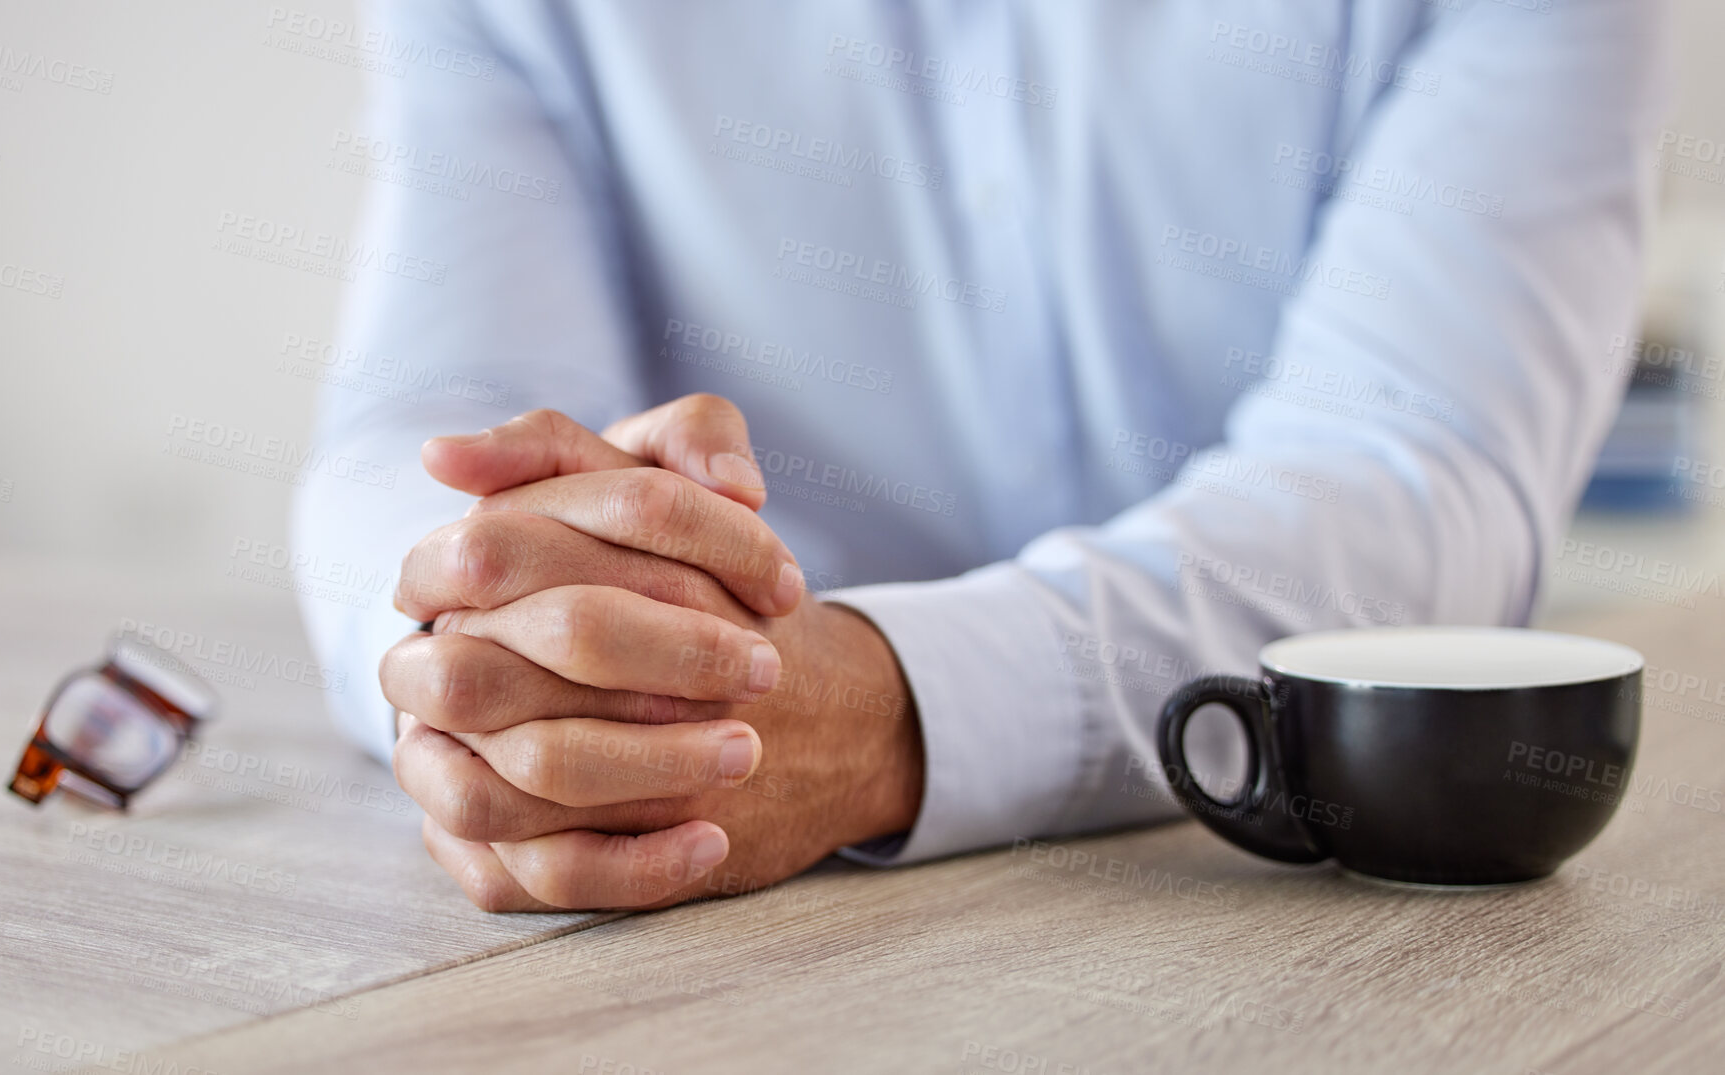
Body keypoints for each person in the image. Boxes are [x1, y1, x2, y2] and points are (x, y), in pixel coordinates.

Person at [293, 0, 1669, 911]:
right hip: (717, 931)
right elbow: (428, 420)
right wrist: (498, 640)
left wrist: (881, 706)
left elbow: (1411, 470)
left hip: (1255, 911)